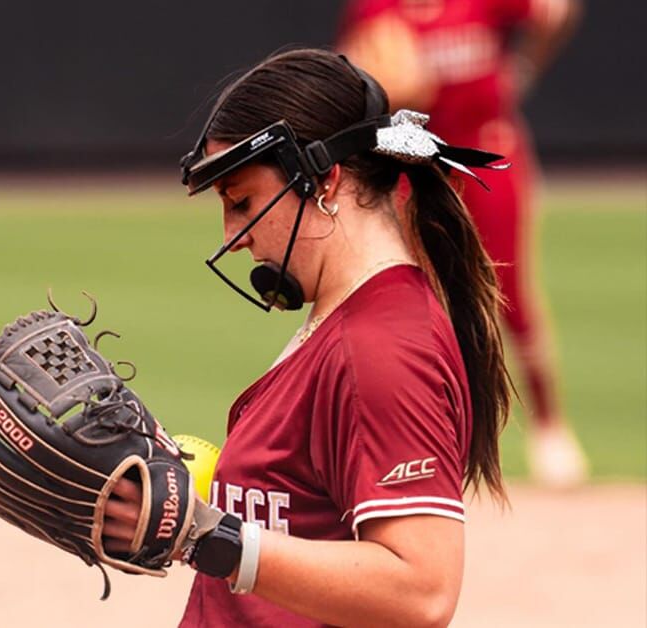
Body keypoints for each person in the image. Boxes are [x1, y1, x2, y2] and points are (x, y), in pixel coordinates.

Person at [100, 48, 513, 626]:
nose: (233, 235)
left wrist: (208, 538)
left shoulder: (382, 349)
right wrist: (187, 503)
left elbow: (422, 591)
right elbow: (305, 511)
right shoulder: (347, 319)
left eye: (241, 201)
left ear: (323, 178)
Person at [339, 0, 588, 487]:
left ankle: (549, 425)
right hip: (419, 163)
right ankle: (425, 435)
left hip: (487, 152)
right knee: (414, 294)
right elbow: (354, 68)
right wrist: (380, 84)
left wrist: (524, 65)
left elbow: (556, 12)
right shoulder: (376, 7)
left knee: (510, 291)